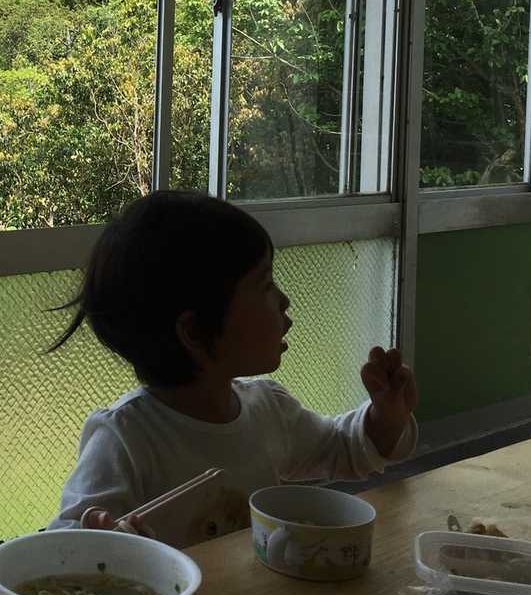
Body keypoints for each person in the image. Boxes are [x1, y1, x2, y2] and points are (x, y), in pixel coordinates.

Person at [48, 190, 418, 538]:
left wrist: (384, 420)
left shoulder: (267, 410)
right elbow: (62, 546)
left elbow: (340, 447)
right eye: (265, 284)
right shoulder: (125, 439)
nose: (284, 300)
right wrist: (100, 542)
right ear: (195, 332)